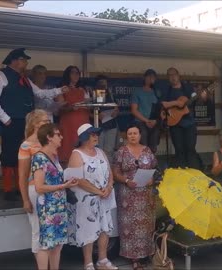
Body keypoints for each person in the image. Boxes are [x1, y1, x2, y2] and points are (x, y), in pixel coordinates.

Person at [0, 48, 68, 201]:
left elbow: (40, 93)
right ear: (15, 60)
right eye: (24, 60)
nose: (26, 63)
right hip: (12, 121)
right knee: (9, 154)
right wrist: (5, 118)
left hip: (27, 123)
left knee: (24, 154)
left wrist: (58, 90)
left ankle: (20, 187)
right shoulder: (1, 76)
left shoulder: (25, 79)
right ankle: (8, 189)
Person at [67, 123, 119, 270]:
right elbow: (78, 179)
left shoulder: (100, 151)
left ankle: (102, 260)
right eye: (92, 134)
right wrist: (97, 191)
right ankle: (88, 263)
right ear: (84, 137)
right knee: (87, 229)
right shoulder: (76, 154)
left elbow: (109, 172)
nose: (96, 136)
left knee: (105, 228)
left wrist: (108, 187)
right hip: (86, 199)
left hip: (104, 196)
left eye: (96, 134)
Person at [32, 123, 78, 270]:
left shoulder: (55, 157)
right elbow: (39, 187)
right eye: (58, 134)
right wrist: (62, 186)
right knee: (46, 243)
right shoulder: (39, 158)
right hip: (48, 206)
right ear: (49, 137)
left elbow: (55, 179)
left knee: (58, 243)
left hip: (59, 204)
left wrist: (67, 182)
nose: (61, 137)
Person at [112, 124, 158, 270]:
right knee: (130, 226)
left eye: (135, 133)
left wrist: (152, 179)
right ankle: (134, 258)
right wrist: (126, 181)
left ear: (140, 135)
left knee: (146, 224)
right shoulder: (121, 152)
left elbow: (154, 168)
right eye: (130, 133)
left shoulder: (147, 150)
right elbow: (115, 172)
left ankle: (146, 254)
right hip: (128, 194)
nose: (132, 136)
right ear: (127, 136)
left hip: (145, 193)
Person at [18, 109, 51, 261]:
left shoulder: (48, 141)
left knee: (50, 230)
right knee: (37, 230)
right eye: (45, 121)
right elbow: (23, 175)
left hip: (51, 190)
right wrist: (25, 199)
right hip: (35, 191)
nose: (48, 123)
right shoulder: (26, 145)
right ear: (35, 124)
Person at [161, 67, 201, 169]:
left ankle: (194, 172)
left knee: (190, 148)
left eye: (174, 74)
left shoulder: (188, 88)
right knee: (179, 149)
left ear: (178, 75)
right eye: (169, 75)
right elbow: (163, 104)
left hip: (189, 123)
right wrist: (176, 103)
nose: (172, 77)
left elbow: (194, 98)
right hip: (174, 123)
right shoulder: (166, 90)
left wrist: (202, 96)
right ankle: (181, 173)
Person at [56, 65, 91, 164]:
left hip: (83, 121)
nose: (76, 75)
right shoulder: (61, 89)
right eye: (73, 73)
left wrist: (87, 104)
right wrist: (71, 107)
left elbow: (88, 105)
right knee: (69, 146)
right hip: (69, 123)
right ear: (67, 74)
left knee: (83, 144)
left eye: (77, 73)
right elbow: (58, 108)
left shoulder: (83, 89)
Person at [130, 69, 160, 153]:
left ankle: (152, 164)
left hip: (154, 122)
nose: (151, 79)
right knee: (143, 143)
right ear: (144, 78)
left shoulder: (157, 92)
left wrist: (155, 120)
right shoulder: (137, 92)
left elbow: (160, 109)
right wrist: (146, 121)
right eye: (149, 76)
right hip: (140, 122)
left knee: (153, 147)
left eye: (153, 77)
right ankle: (143, 164)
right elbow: (134, 110)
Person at [96, 75, 121, 161]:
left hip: (111, 125)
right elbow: (89, 112)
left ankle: (108, 172)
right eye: (102, 83)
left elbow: (117, 108)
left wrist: (116, 112)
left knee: (109, 151)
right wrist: (96, 115)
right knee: (99, 151)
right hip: (99, 126)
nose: (104, 85)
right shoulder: (95, 93)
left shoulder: (111, 93)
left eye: (105, 83)